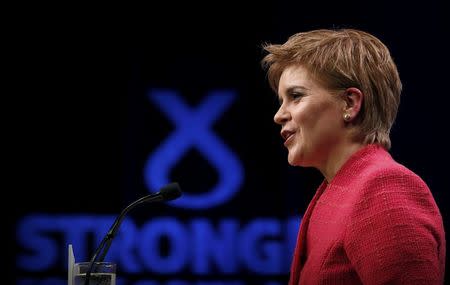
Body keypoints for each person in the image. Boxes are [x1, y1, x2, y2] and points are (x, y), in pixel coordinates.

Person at [261, 28, 446, 284]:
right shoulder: (339, 190)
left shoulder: (385, 189)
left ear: (350, 103)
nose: (279, 115)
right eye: (281, 100)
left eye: (295, 96)